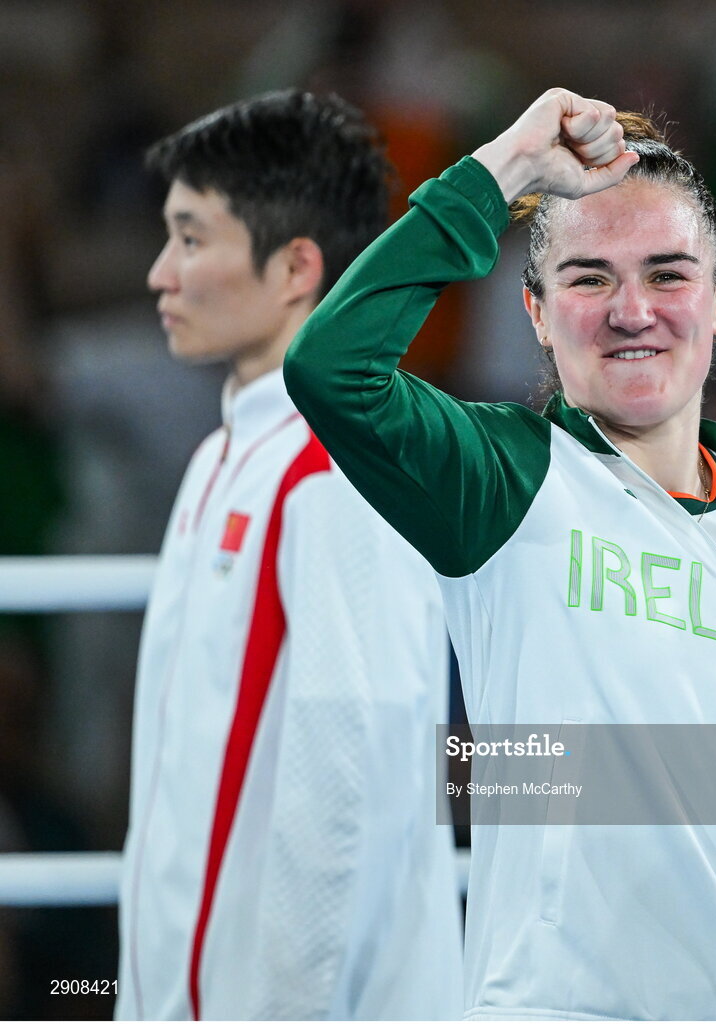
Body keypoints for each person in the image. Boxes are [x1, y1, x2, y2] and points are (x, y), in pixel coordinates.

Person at [284, 88, 716, 1020]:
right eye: (588, 277)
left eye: (667, 273)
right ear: (535, 311)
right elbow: (331, 368)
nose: (632, 309)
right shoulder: (502, 480)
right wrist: (509, 166)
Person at [116, 89, 463, 1022]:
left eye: (191, 239)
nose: (160, 274)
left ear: (295, 269)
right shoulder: (220, 461)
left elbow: (349, 788)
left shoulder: (339, 471)